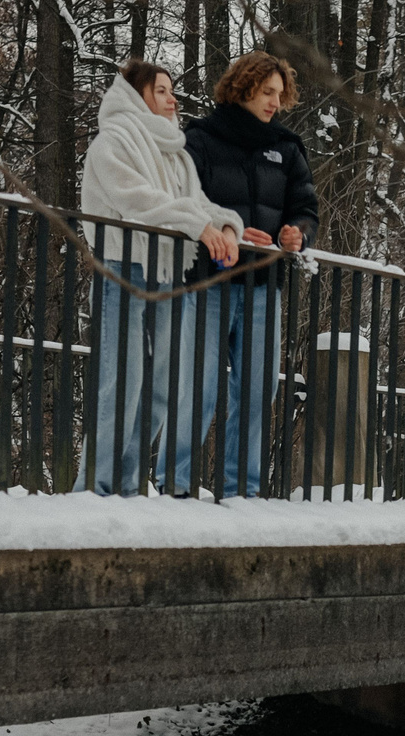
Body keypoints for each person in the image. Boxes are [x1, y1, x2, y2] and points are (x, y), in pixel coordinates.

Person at [75, 56, 245, 495]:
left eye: (172, 92)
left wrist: (226, 225)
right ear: (136, 95)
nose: (172, 101)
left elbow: (199, 203)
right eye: (161, 92)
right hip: (122, 269)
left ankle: (127, 487)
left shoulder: (176, 155)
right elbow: (137, 200)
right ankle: (95, 490)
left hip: (168, 271)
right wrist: (198, 226)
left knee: (165, 387)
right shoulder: (112, 141)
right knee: (123, 382)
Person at [180, 50, 317, 496]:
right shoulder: (200, 139)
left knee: (258, 392)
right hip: (210, 280)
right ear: (243, 89)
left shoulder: (288, 148)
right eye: (266, 91)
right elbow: (184, 199)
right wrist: (222, 227)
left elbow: (305, 208)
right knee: (197, 387)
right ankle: (174, 484)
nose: (275, 101)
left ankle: (243, 491)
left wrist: (297, 233)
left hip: (264, 287)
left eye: (280, 93)